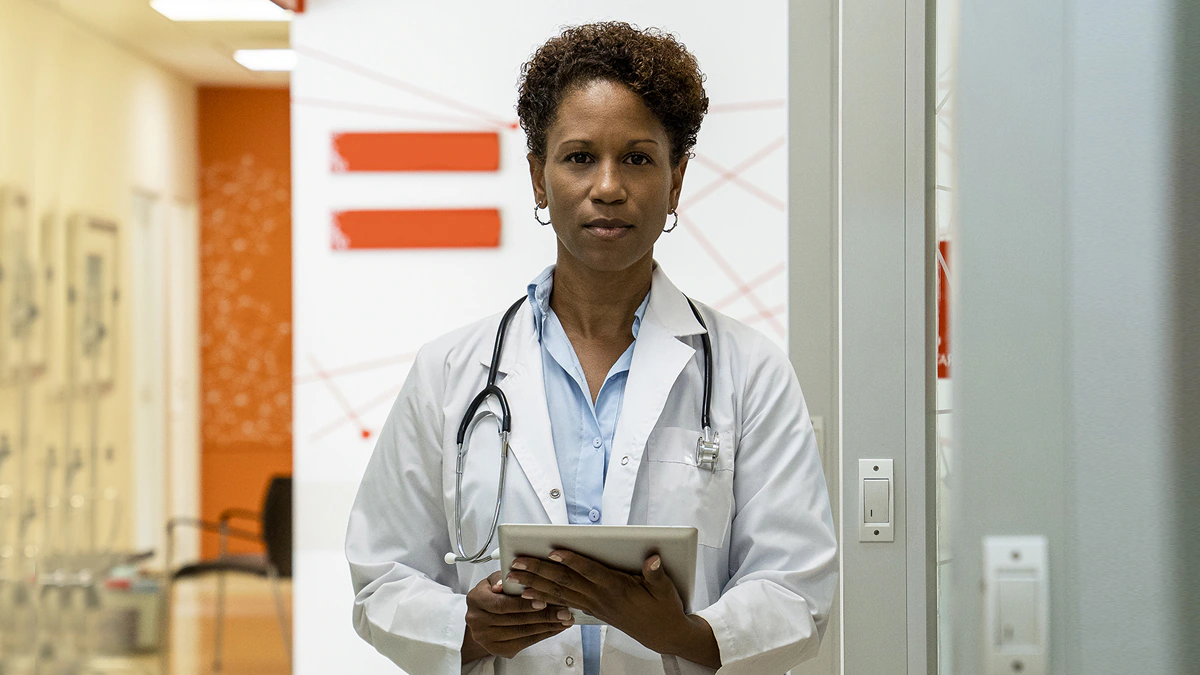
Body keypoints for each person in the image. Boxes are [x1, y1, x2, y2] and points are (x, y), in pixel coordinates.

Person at [345, 21, 836, 675]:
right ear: (539, 178)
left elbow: (797, 590)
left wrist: (683, 632)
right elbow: (382, 575)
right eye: (579, 157)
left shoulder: (752, 371)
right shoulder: (450, 372)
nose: (608, 186)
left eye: (637, 157)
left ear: (676, 178)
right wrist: (470, 628)